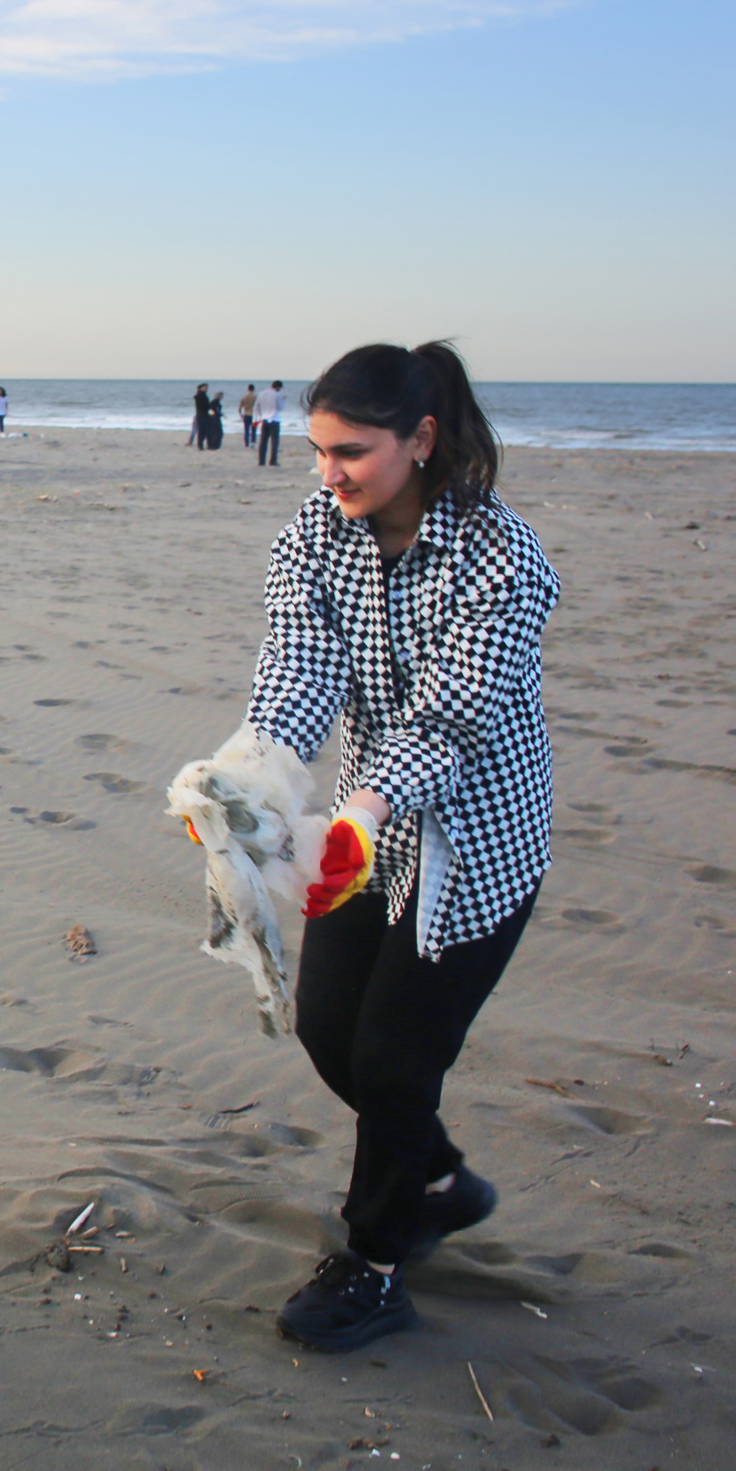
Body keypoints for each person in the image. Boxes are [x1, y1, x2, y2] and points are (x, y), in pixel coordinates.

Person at [227, 341, 559, 1352]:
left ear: (419, 441)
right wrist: (248, 773)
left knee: (393, 1058)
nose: (327, 471)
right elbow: (298, 662)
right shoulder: (317, 532)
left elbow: (453, 718)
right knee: (326, 1025)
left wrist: (365, 807)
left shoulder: (504, 560)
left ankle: (373, 1264)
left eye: (350, 451)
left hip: (474, 838)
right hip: (358, 832)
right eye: (318, 448)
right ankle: (441, 1180)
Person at [254, 380, 285, 466]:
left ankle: (261, 461)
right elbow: (280, 407)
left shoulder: (261, 393)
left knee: (263, 441)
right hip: (274, 419)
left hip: (265, 419)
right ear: (278, 387)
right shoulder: (277, 394)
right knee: (274, 442)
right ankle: (273, 461)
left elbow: (256, 407)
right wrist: (283, 400)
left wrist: (256, 419)